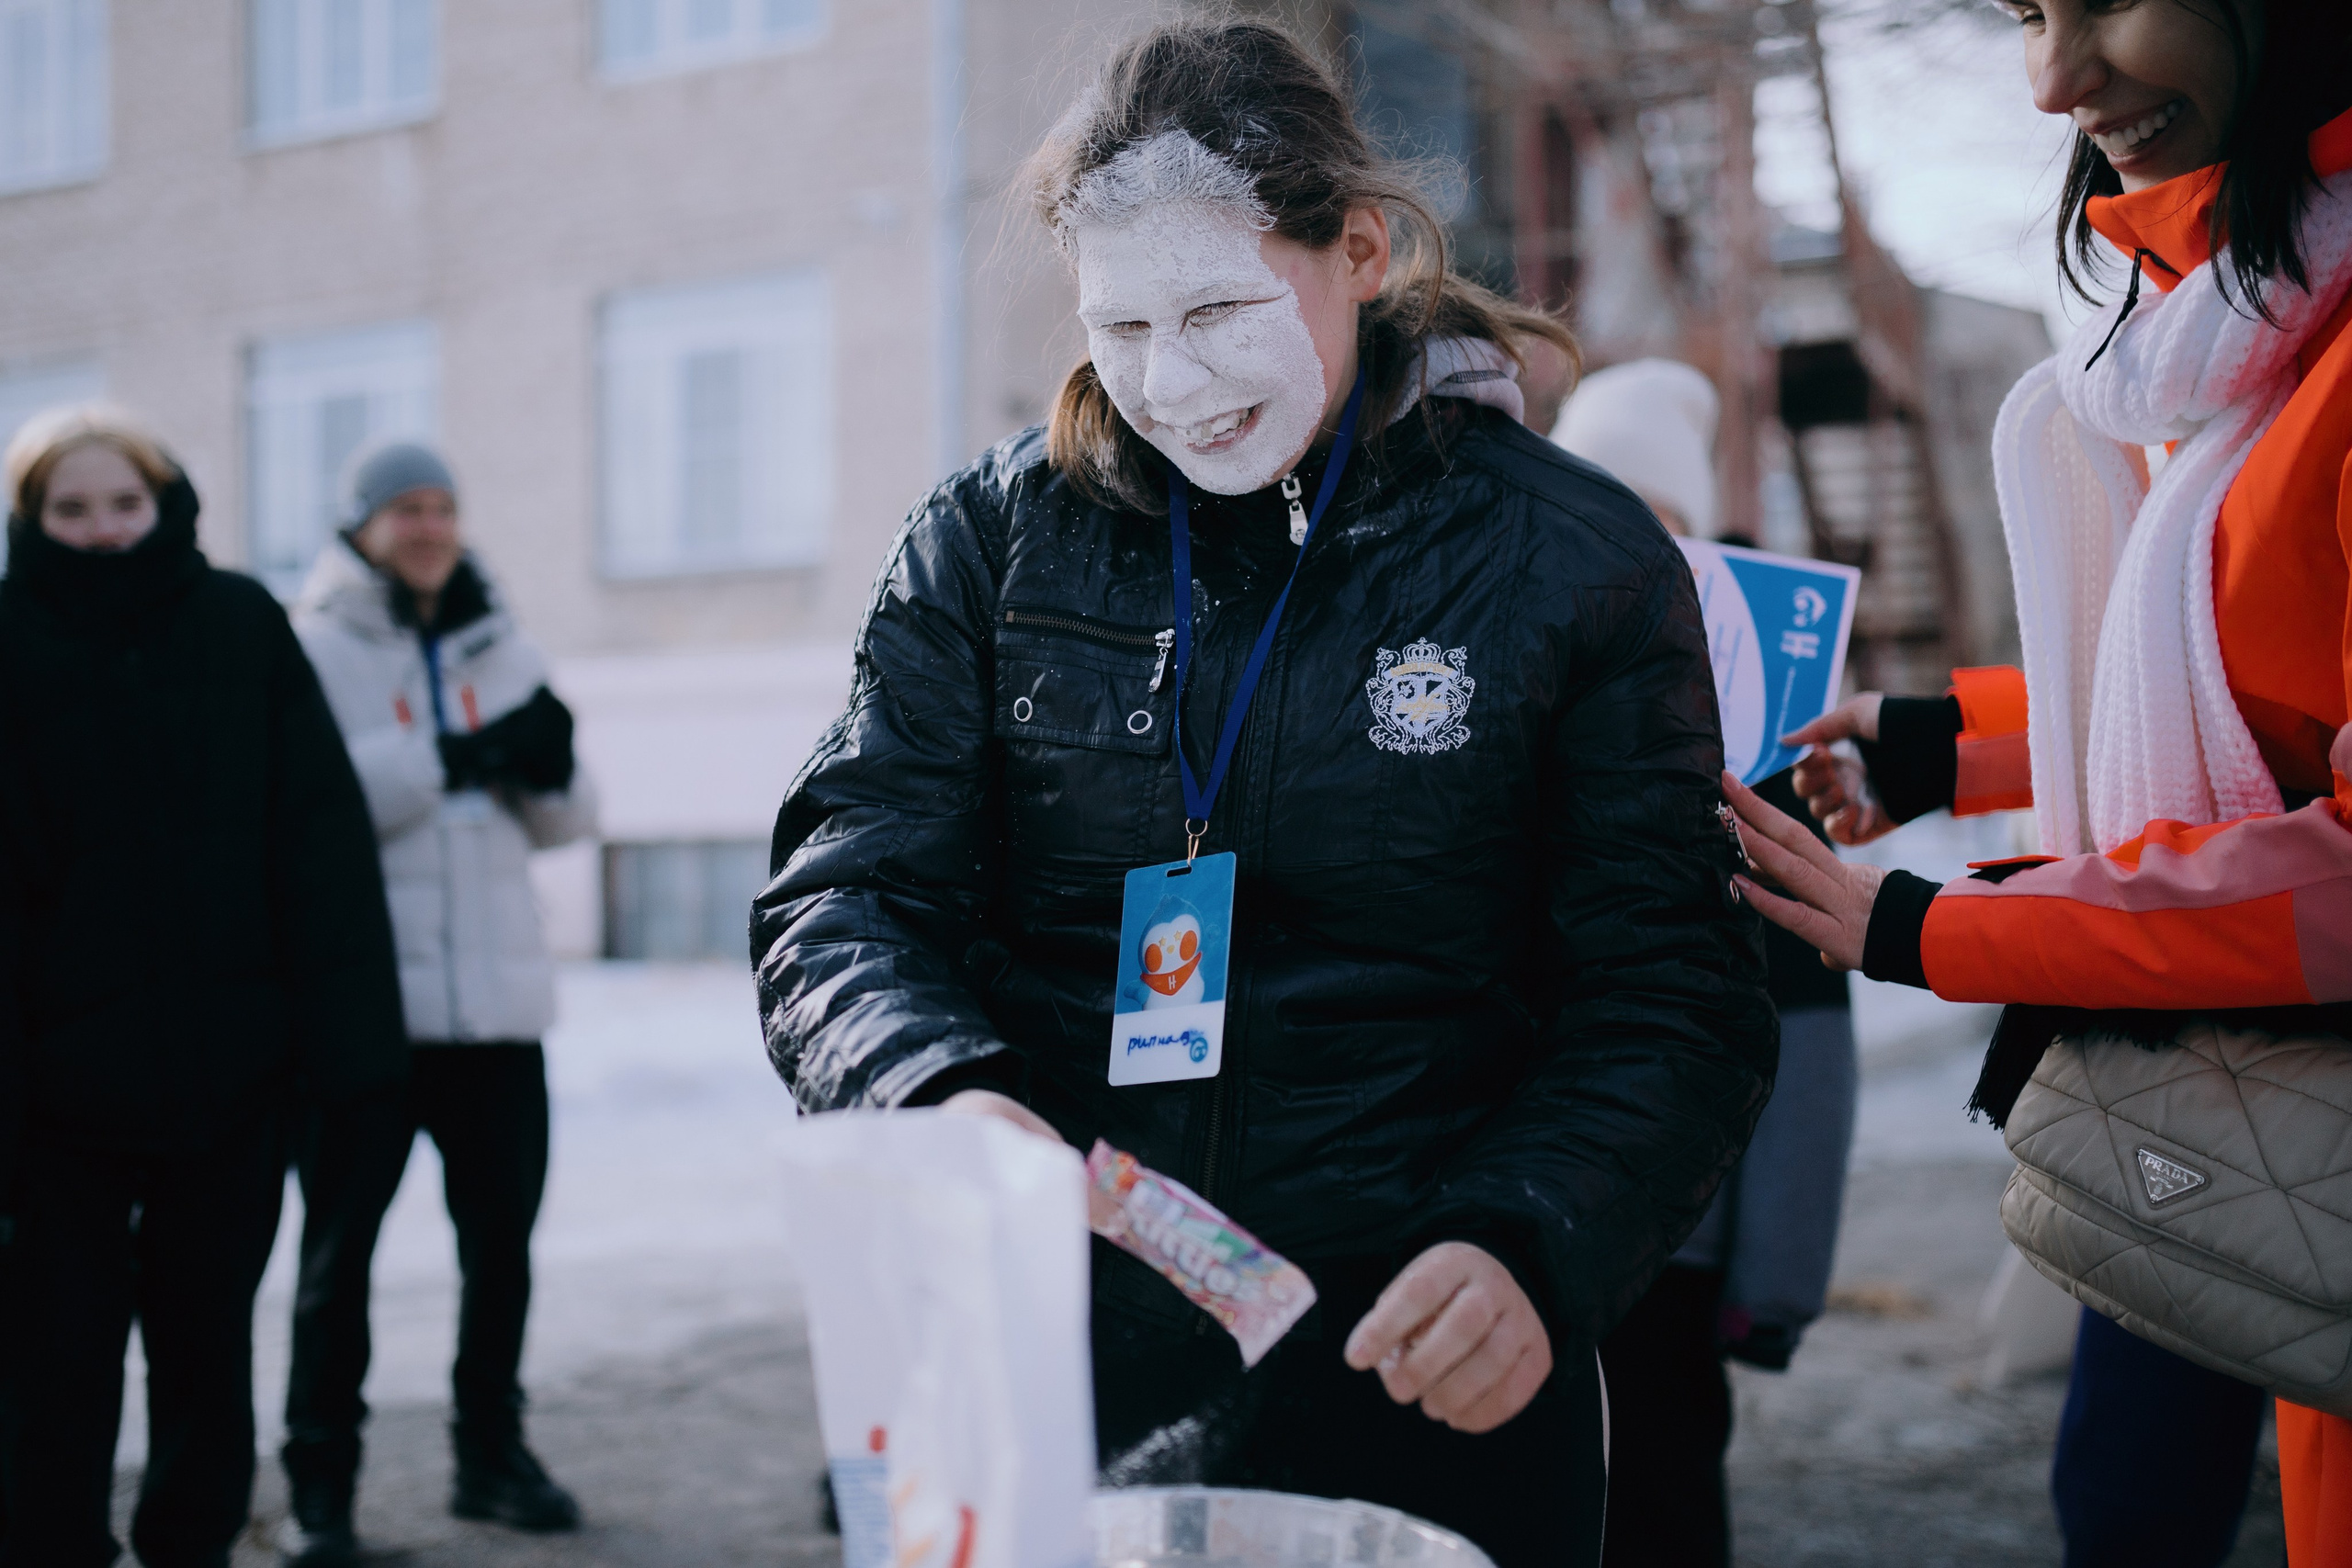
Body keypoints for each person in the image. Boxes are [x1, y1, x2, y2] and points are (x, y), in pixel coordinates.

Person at [751, 20, 1778, 1567]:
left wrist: (1535, 1234)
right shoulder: (982, 547)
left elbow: (1676, 981)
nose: (1172, 382)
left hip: (1427, 1342)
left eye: (1221, 308)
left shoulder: (1571, 560)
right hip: (1060, 1344)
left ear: (1358, 249)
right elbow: (844, 897)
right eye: (1122, 325)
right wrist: (937, 1095)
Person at [1723, 3, 2352, 1565]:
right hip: (2204, 1077)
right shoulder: (2244, 327)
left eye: (2108, 1)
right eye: (2024, 12)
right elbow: (2226, 667)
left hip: (2284, 1087)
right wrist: (1943, 742)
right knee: (2124, 1501)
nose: (2053, 82)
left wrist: (1947, 928)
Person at [0, 406, 406, 1567]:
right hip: (55, 1107)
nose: (103, 532)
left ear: (164, 503)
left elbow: (317, 847)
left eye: (123, 505)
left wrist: (349, 1062)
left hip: (226, 1082)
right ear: (34, 522)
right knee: (52, 1362)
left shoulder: (238, 623)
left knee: (206, 1351)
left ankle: (191, 1548)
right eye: (69, 511)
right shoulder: (9, 635)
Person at [1555, 359, 1860, 1568]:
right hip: (1534, 1190)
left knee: (1665, 1485)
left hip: (1677, 1219)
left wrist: (1776, 1264)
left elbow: (1811, 1008)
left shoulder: (1765, 722)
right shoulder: (1536, 670)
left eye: (1645, 506)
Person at [277, 441, 596, 1563]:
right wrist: (449, 758)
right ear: (361, 524)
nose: (427, 527)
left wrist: (544, 760)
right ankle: (320, 1490)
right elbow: (305, 809)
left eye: (443, 507)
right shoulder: (309, 648)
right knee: (338, 1262)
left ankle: (491, 1460)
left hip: (498, 1018)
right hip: (365, 1019)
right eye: (406, 508)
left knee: (499, 1253)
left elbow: (567, 823)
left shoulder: (499, 643)